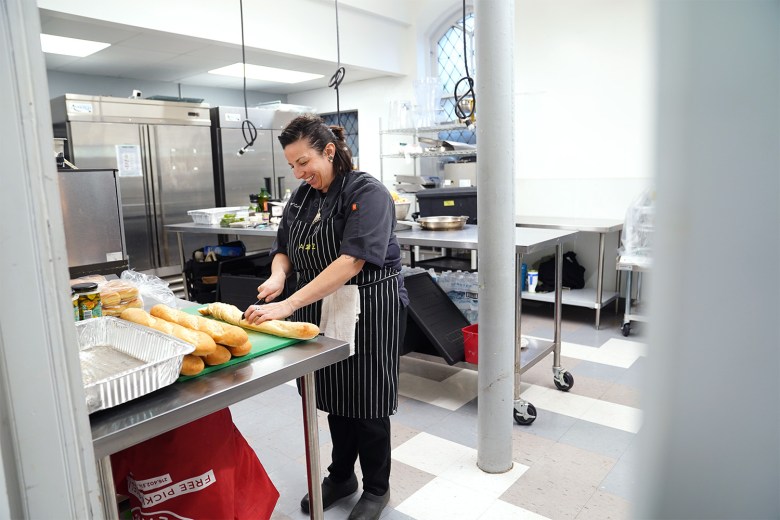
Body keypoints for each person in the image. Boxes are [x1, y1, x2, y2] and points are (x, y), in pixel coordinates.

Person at [243, 114, 408, 520]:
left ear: (329, 151)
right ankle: (341, 477)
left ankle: (377, 488)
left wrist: (287, 305)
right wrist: (278, 276)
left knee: (367, 400)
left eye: (304, 162)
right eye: (292, 166)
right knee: (334, 394)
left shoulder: (368, 193)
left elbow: (351, 262)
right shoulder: (301, 197)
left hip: (369, 306)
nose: (299, 173)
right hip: (319, 304)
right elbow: (283, 246)